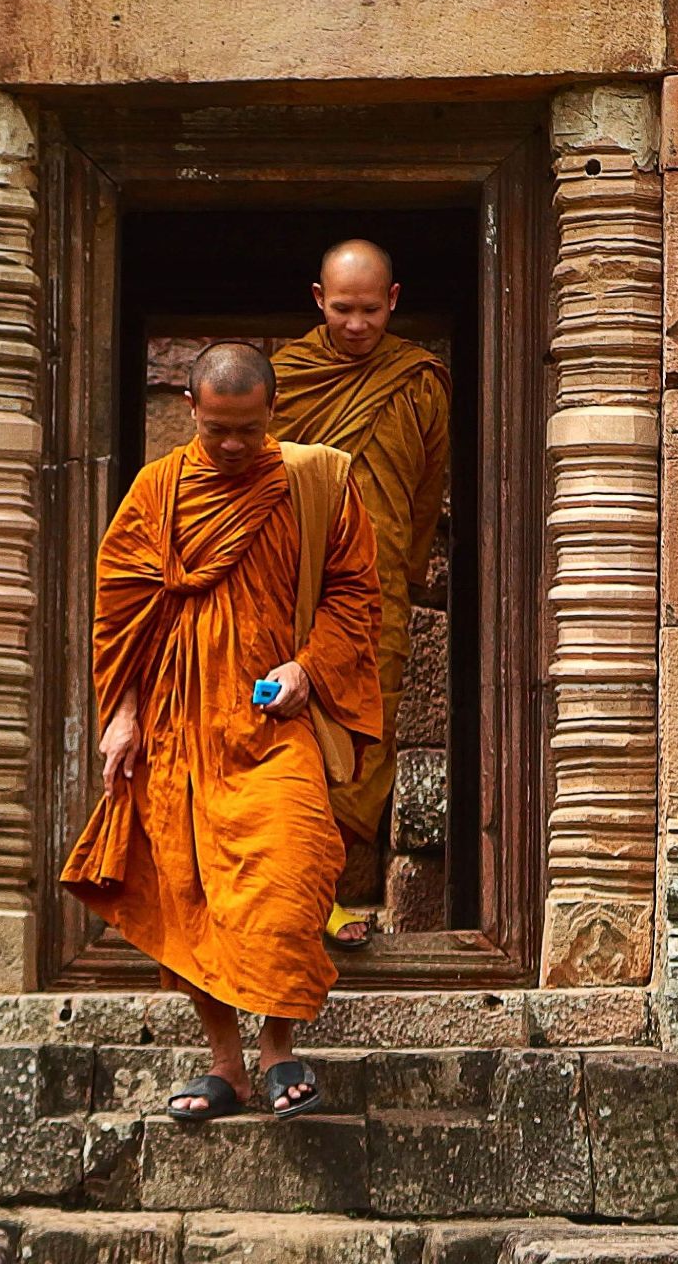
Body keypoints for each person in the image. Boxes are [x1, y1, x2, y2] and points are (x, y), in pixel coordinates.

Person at [61, 340, 383, 1121]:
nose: (233, 446)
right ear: (191, 415)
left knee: (290, 873)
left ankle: (279, 1050)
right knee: (195, 895)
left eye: (247, 428)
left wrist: (310, 667)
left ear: (271, 412)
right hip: (178, 727)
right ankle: (226, 1067)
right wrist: (124, 715)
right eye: (217, 432)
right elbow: (121, 614)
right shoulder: (158, 493)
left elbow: (355, 595)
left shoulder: (318, 483)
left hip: (275, 724)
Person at [271, 239, 451, 949]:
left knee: (364, 748)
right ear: (319, 300)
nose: (356, 324)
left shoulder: (418, 383)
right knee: (287, 743)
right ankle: (282, 901)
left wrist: (399, 578)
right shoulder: (284, 379)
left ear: (394, 301)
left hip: (376, 602)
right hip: (291, 599)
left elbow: (425, 489)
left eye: (370, 310)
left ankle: (334, 899)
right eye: (342, 309)